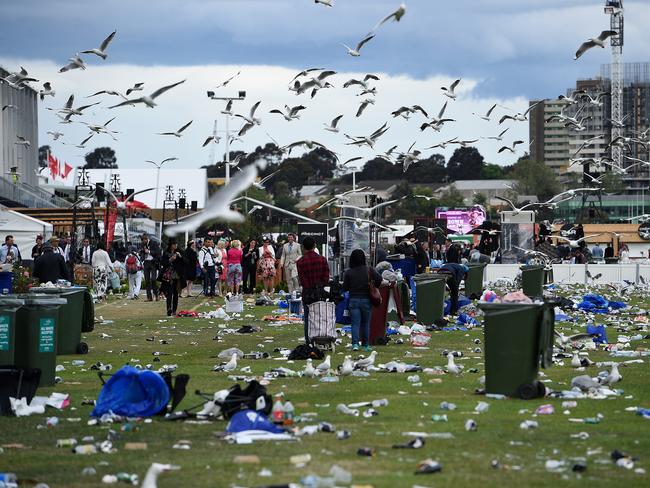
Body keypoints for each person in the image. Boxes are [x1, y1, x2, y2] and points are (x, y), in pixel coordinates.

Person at [342, 249, 382, 352]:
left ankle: (355, 344)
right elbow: (379, 279)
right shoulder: (369, 270)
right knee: (365, 323)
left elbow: (345, 287)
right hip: (366, 300)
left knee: (355, 323)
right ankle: (365, 345)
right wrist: (374, 286)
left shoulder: (348, 272)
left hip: (353, 300)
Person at [296, 236, 330, 346]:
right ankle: (322, 338)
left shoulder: (300, 262)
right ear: (315, 246)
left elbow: (302, 280)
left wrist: (310, 288)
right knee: (322, 317)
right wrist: (320, 287)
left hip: (307, 293)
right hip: (321, 293)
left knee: (307, 318)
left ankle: (309, 341)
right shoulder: (322, 259)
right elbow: (326, 278)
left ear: (303, 248)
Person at [159, 239, 184, 316]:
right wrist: (170, 259)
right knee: (169, 293)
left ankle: (174, 310)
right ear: (171, 245)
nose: (175, 245)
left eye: (176, 244)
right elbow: (163, 262)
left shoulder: (179, 252)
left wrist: (180, 257)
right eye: (174, 244)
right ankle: (169, 309)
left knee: (176, 293)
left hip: (177, 276)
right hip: (168, 276)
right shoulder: (166, 253)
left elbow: (185, 262)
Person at [138, 233, 161, 301]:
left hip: (153, 262)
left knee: (153, 279)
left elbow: (158, 253)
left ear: (147, 239)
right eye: (142, 241)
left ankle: (156, 295)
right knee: (147, 280)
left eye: (144, 240)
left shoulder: (154, 243)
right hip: (146, 262)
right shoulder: (142, 244)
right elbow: (142, 253)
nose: (143, 242)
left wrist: (149, 251)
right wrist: (141, 253)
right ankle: (149, 297)